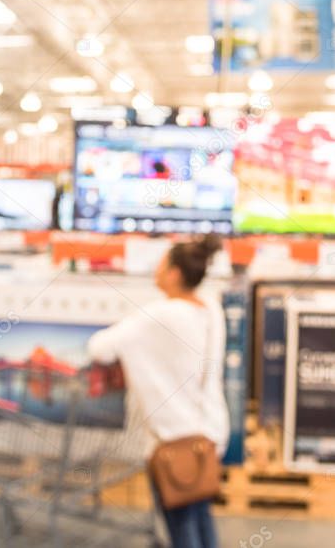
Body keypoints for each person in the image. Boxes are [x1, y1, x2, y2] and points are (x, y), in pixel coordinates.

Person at [87, 235, 229, 548]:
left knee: (181, 527)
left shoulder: (159, 315)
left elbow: (100, 348)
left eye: (162, 264)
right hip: (208, 434)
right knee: (200, 516)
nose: (157, 270)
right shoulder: (211, 309)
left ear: (175, 273)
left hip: (173, 441)